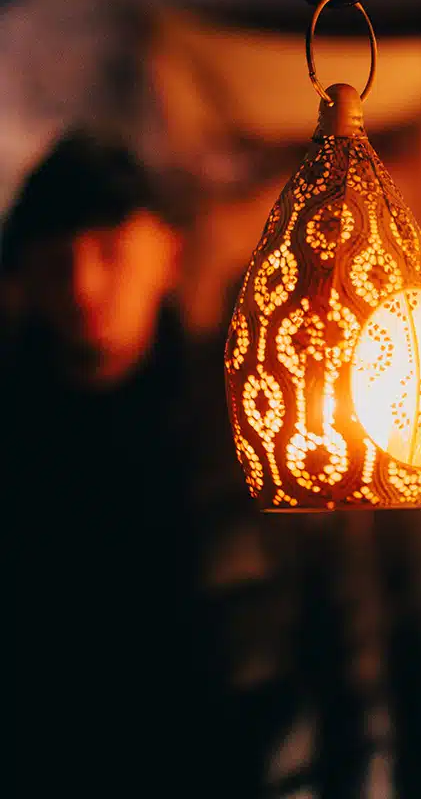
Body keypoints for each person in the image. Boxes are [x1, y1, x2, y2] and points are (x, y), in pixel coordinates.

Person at [4, 130, 276, 799]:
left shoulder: (253, 417)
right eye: (54, 261)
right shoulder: (14, 434)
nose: (83, 284)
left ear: (167, 254)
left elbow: (344, 627)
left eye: (109, 250)